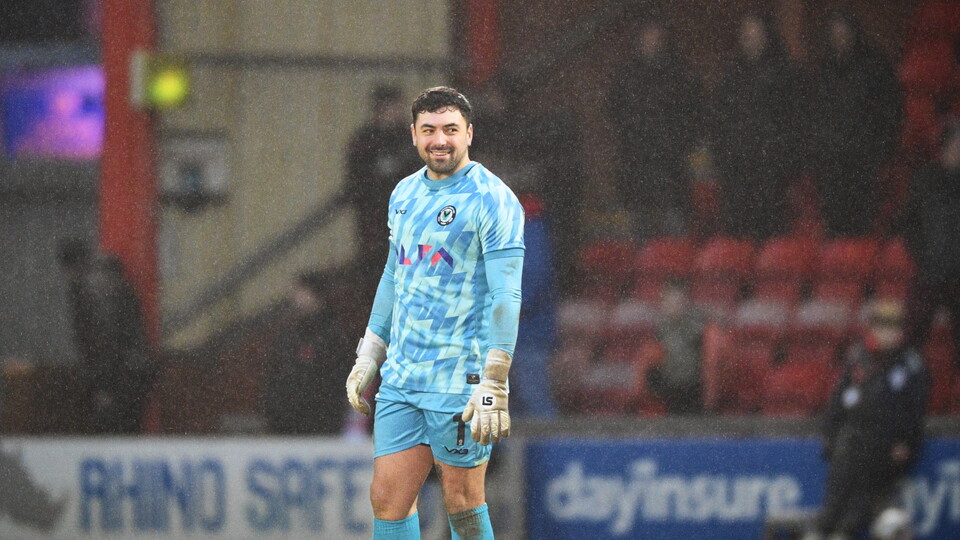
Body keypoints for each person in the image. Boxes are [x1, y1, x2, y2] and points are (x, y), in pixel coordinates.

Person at [344, 87, 524, 539]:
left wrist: (495, 379)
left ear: (469, 134)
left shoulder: (492, 199)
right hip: (404, 377)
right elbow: (393, 275)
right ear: (413, 135)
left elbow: (507, 294)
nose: (439, 140)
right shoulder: (403, 193)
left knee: (462, 502)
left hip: (460, 378)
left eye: (449, 130)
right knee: (387, 499)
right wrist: (370, 354)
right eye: (429, 130)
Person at [809, 300, 930, 540]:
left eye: (892, 328)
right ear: (872, 329)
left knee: (865, 508)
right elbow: (839, 399)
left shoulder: (910, 364)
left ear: (900, 332)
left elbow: (915, 410)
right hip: (852, 442)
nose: (887, 333)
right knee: (834, 504)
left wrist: (906, 442)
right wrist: (830, 434)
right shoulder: (858, 357)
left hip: (884, 448)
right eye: (882, 327)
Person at [711, 12, 804, 240]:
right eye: (745, 34)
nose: (749, 39)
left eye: (754, 33)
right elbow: (719, 123)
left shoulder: (785, 75)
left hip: (771, 173)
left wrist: (782, 158)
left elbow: (793, 123)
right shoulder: (731, 78)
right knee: (738, 239)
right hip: (737, 174)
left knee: (769, 237)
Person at [606, 17, 701, 238]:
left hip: (670, 164)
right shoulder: (627, 76)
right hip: (637, 163)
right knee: (641, 227)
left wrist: (676, 143)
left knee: (674, 227)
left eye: (655, 35)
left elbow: (692, 114)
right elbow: (614, 111)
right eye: (646, 35)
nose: (650, 41)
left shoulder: (679, 75)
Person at [811, 10, 902, 238]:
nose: (840, 40)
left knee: (861, 223)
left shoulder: (875, 67)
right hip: (832, 159)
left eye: (843, 34)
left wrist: (880, 148)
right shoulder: (825, 69)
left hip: (863, 158)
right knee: (834, 222)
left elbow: (891, 111)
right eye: (835, 35)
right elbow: (815, 113)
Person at [58, 243, 154, 434]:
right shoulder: (113, 279)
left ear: (70, 265)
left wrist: (103, 386)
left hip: (117, 378)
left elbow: (103, 340)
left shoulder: (88, 287)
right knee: (129, 433)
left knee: (110, 435)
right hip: (133, 371)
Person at [345, 84, 423, 286]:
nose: (393, 114)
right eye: (389, 108)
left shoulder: (409, 140)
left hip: (405, 219)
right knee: (375, 270)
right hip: (374, 219)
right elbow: (356, 182)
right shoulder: (364, 141)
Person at [900, 122, 960, 368]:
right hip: (930, 272)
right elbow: (909, 224)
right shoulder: (926, 180)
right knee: (912, 336)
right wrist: (924, 257)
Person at [263, 270, 353, 434]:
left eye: (301, 292)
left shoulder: (331, 335)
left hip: (319, 422)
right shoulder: (289, 333)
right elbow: (276, 374)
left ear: (315, 295)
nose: (296, 297)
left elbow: (336, 378)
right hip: (286, 421)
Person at [645, 280, 707, 414]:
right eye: (669, 302)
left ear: (685, 303)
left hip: (692, 386)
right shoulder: (660, 329)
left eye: (677, 302)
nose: (673, 306)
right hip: (669, 386)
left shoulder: (695, 327)